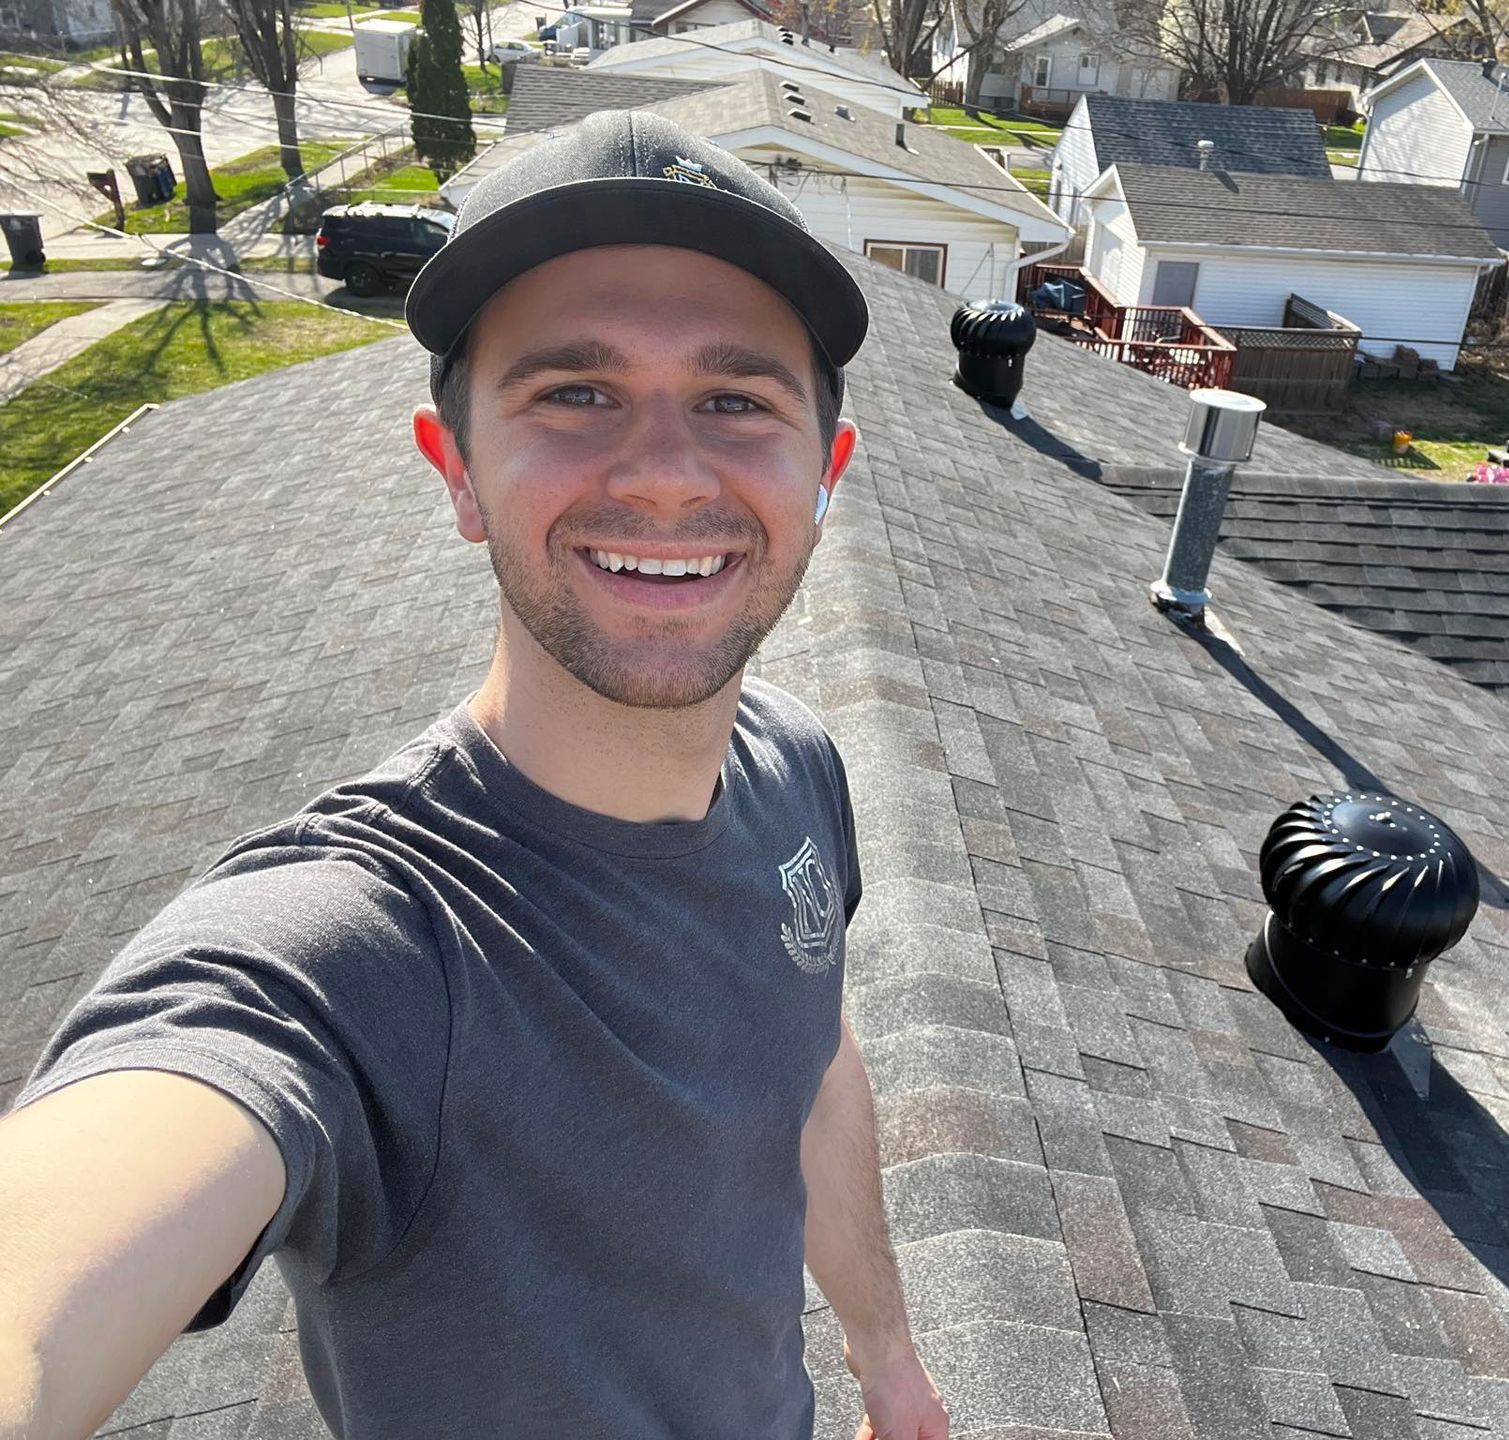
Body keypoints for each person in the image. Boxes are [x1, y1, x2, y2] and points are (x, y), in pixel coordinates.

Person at [0, 109, 949, 1440]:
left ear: (826, 473)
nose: (668, 474)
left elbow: (813, 1058)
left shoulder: (796, 767)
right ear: (457, 473)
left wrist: (886, 1353)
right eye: (575, 392)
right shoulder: (355, 957)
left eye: (737, 400)